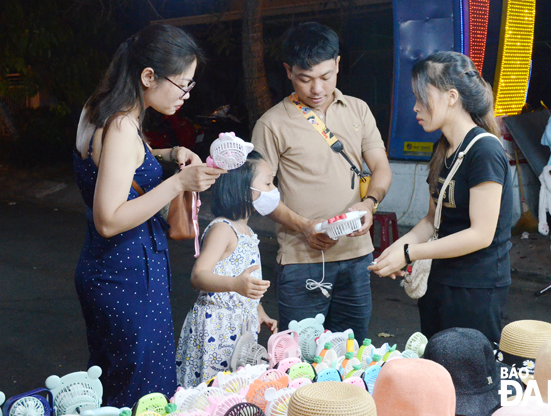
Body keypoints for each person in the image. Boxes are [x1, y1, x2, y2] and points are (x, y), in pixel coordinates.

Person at [73, 24, 224, 406]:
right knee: (144, 394)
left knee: (111, 384)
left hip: (102, 270)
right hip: (128, 275)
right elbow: (108, 220)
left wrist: (170, 153)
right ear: (148, 76)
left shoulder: (98, 108)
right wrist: (178, 183)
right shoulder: (123, 125)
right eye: (183, 85)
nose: (186, 96)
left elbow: (117, 164)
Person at [251, 22, 392, 342]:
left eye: (326, 77)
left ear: (338, 64)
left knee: (353, 350)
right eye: (305, 78)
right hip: (302, 262)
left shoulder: (358, 110)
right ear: (288, 71)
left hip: (357, 257)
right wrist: (303, 227)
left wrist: (370, 204)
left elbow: (381, 168)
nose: (317, 88)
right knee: (298, 357)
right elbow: (258, 190)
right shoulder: (272, 123)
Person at [369, 51, 513, 344]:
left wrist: (409, 254)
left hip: (476, 288)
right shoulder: (443, 148)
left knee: (466, 379)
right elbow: (432, 219)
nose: (416, 107)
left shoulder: (485, 151)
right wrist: (395, 250)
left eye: (423, 97)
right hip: (440, 281)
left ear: (451, 96)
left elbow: (481, 235)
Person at [176, 151, 278, 387]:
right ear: (242, 190)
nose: (273, 189)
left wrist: (257, 308)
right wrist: (235, 285)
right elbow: (198, 275)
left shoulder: (248, 232)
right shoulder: (223, 229)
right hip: (216, 330)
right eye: (267, 182)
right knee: (212, 391)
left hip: (239, 330)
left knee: (234, 390)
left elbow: (242, 279)